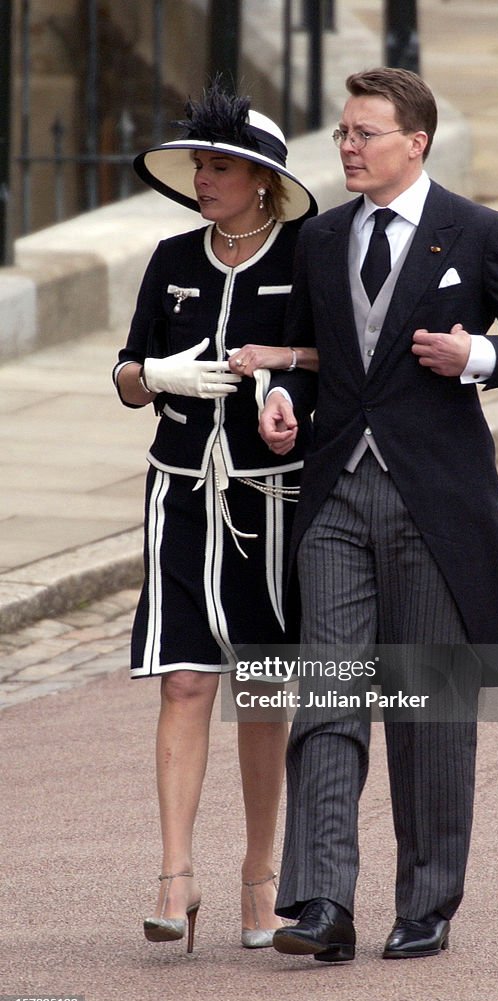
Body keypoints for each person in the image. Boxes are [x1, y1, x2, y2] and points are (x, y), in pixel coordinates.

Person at [259, 67, 498, 962]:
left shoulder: (477, 233)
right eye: (342, 134)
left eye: (365, 133)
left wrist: (476, 353)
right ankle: (321, 901)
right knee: (327, 693)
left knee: (427, 709)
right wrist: (282, 393)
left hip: (433, 503)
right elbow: (314, 353)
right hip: (332, 495)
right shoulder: (319, 240)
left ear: (417, 141)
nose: (347, 148)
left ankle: (427, 902)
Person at [112, 81, 317, 953]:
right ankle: (173, 877)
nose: (206, 177)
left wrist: (280, 377)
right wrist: (156, 376)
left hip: (271, 500)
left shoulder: (307, 255)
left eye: (222, 165)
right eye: (200, 163)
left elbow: (334, 358)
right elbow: (124, 373)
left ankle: (258, 877)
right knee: (186, 680)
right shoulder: (171, 259)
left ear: (263, 180)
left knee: (264, 692)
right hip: (182, 493)